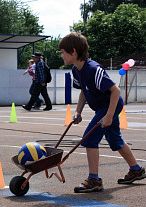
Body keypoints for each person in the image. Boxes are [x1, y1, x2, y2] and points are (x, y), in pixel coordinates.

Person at [58, 32, 146, 193]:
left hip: (110, 105)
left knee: (90, 138)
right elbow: (83, 92)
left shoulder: (93, 69)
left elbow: (115, 91)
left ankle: (94, 180)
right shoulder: (76, 70)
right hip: (102, 108)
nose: (62, 55)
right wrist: (78, 112)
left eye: (63, 52)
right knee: (115, 139)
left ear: (73, 51)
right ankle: (136, 169)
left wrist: (109, 115)